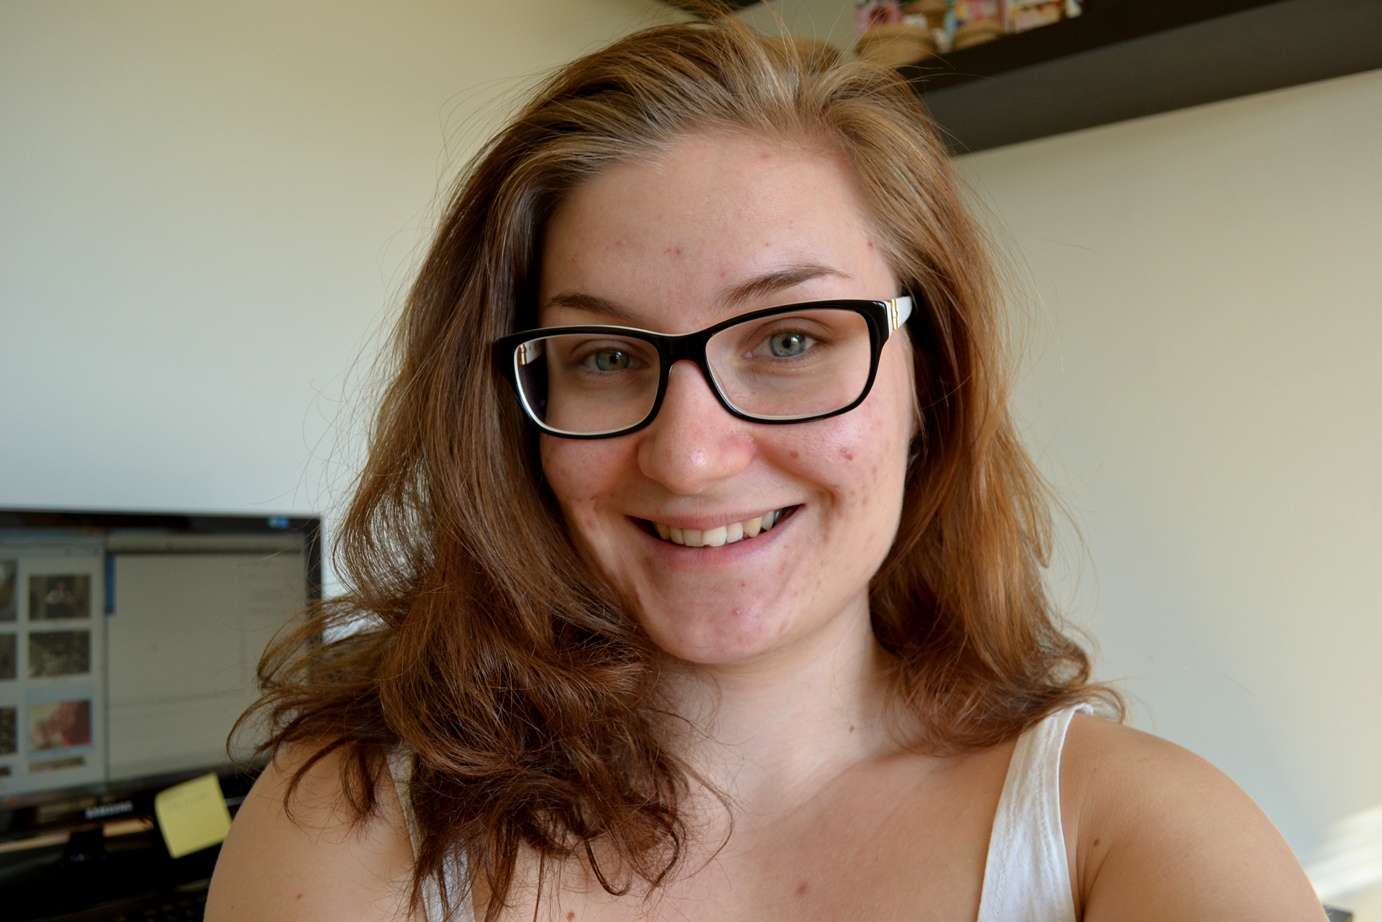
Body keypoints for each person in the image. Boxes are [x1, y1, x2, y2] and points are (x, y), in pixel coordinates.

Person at [207, 15, 1325, 922]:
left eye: (789, 339)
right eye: (605, 356)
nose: (690, 456)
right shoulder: (356, 823)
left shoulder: (1121, 840)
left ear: (927, 376)